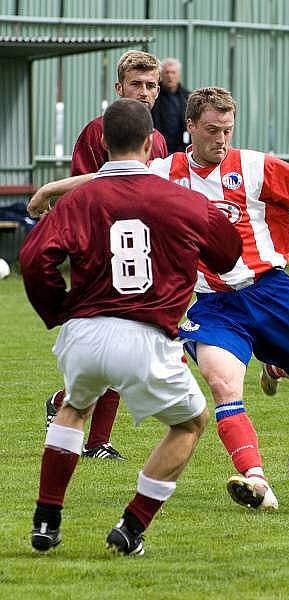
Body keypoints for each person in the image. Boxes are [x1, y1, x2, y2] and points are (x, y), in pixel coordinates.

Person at [27, 87, 289, 513]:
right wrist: (52, 188)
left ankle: (274, 363)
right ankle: (256, 480)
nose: (221, 139)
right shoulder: (167, 170)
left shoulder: (259, 167)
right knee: (223, 387)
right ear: (191, 128)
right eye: (213, 131)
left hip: (271, 294)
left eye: (228, 131)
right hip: (214, 304)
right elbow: (111, 177)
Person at [20, 98, 242, 555]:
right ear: (148, 144)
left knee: (73, 407)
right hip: (146, 335)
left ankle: (46, 520)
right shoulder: (184, 200)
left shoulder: (79, 199)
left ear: (103, 142)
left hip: (83, 332)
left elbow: (32, 257)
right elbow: (227, 253)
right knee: (190, 424)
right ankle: (132, 526)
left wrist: (57, 308)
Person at [46, 49, 169, 461]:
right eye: (137, 84)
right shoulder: (96, 132)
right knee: (110, 345)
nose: (146, 92)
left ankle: (86, 426)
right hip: (100, 252)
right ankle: (89, 431)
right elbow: (83, 188)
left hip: (139, 253)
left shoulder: (159, 140)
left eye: (151, 85)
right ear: (118, 88)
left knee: (125, 343)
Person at [151, 57, 190, 153]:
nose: (170, 76)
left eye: (173, 72)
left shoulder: (187, 97)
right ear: (161, 75)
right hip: (156, 148)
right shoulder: (152, 95)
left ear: (179, 75)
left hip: (181, 149)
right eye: (167, 72)